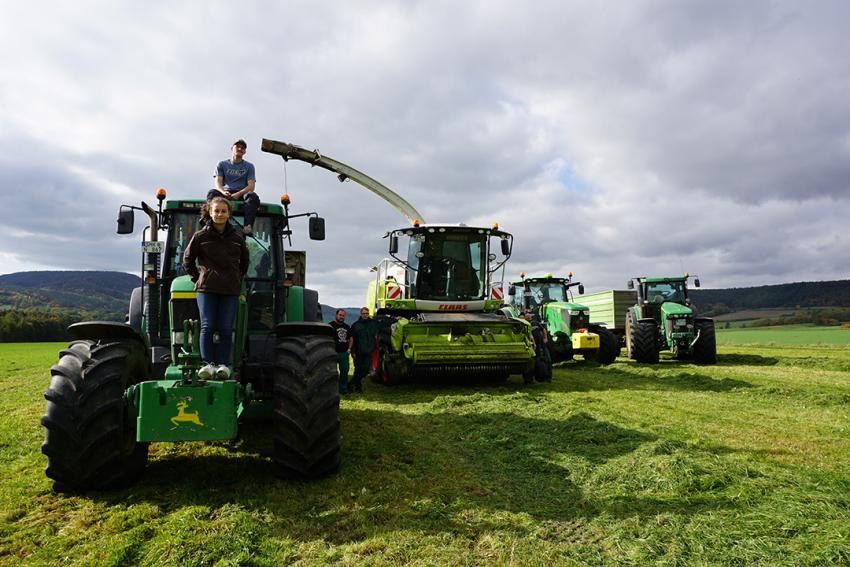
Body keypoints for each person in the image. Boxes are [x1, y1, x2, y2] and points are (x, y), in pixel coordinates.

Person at [183, 196, 249, 380]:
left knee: (226, 328)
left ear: (228, 214)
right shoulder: (200, 236)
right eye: (216, 211)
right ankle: (207, 364)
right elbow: (187, 259)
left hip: (230, 289)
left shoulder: (237, 238)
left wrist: (236, 277)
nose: (219, 214)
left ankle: (223, 365)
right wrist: (198, 278)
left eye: (223, 211)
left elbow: (245, 261)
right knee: (207, 326)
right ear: (209, 213)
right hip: (207, 289)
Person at [208, 139, 260, 235]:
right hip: (225, 193)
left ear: (245, 151)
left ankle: (248, 226)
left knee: (252, 196)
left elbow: (251, 186)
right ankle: (208, 222)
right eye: (238, 146)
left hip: (241, 194)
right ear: (232, 148)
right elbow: (218, 182)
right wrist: (223, 192)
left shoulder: (249, 166)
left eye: (243, 148)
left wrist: (238, 194)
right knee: (212, 193)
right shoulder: (222, 164)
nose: (240, 149)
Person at [349, 307, 378, 393]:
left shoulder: (373, 323)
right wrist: (352, 351)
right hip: (358, 352)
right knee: (358, 369)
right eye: (364, 313)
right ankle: (358, 388)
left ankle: (351, 384)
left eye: (367, 313)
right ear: (361, 314)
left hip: (369, 351)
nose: (365, 315)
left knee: (365, 370)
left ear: (368, 314)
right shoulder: (355, 325)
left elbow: (384, 323)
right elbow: (352, 340)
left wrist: (395, 319)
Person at [328, 308, 353, 394]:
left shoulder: (347, 327)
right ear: (336, 315)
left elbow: (351, 338)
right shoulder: (330, 326)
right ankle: (331, 390)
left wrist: (349, 349)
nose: (342, 317)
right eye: (340, 315)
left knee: (344, 372)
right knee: (331, 373)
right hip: (333, 353)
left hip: (344, 354)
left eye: (343, 315)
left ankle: (343, 389)